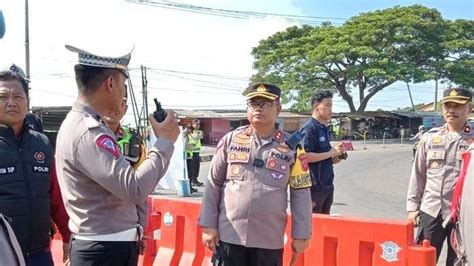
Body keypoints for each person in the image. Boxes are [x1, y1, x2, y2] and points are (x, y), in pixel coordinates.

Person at [55, 45, 180, 265]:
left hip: (109, 247)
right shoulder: (89, 131)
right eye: (123, 84)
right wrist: (165, 142)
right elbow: (134, 189)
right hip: (104, 252)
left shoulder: (88, 126)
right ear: (111, 83)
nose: (123, 92)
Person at [199, 83, 312, 265]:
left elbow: (301, 193)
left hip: (268, 240)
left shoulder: (293, 148)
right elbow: (213, 184)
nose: (258, 108)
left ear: (278, 109)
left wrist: (302, 234)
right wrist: (208, 225)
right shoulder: (230, 140)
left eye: (266, 103)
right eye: (253, 103)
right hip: (229, 236)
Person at [0, 64, 71, 265]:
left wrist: (68, 236)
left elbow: (56, 197)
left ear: (28, 102)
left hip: (40, 253)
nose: (11, 103)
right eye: (3, 97)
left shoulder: (42, 143)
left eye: (18, 97)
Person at [407, 87, 472, 265]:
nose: (451, 110)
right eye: (447, 106)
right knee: (423, 259)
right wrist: (413, 207)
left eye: (457, 106)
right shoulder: (429, 138)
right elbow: (418, 175)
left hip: (463, 214)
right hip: (431, 210)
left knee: (459, 260)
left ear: (469, 108)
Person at [101, 86, 150, 254]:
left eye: (121, 102)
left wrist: (141, 227)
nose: (115, 107)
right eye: (110, 101)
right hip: (93, 231)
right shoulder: (86, 135)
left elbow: (142, 187)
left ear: (126, 107)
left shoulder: (135, 141)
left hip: (126, 229)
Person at [300, 90, 344, 214]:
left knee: (325, 224)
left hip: (327, 185)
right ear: (316, 106)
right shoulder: (309, 128)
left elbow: (323, 157)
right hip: (314, 187)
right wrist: (331, 153)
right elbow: (305, 157)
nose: (331, 109)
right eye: (327, 105)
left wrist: (337, 156)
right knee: (314, 225)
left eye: (331, 105)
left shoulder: (323, 128)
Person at [188, 119, 204, 187]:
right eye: (196, 124)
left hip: (197, 151)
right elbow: (195, 138)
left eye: (199, 124)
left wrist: (199, 136)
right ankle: (193, 180)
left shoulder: (198, 131)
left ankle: (195, 179)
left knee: (197, 167)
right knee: (193, 167)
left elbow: (200, 136)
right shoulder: (190, 132)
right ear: (192, 124)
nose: (198, 126)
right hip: (192, 152)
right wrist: (199, 136)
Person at [183, 125, 198, 193]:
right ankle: (189, 188)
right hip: (187, 157)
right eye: (190, 130)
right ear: (187, 129)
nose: (191, 132)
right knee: (189, 173)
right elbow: (185, 145)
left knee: (190, 173)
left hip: (188, 156)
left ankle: (190, 187)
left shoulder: (185, 135)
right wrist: (191, 147)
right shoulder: (184, 136)